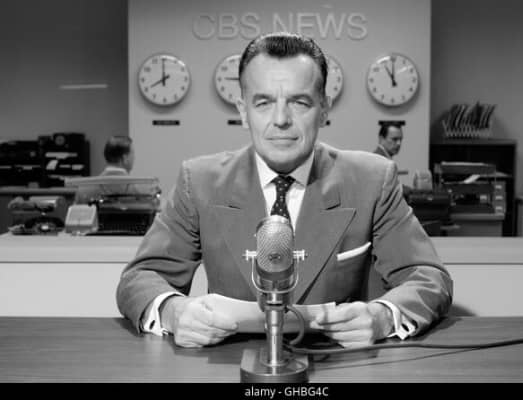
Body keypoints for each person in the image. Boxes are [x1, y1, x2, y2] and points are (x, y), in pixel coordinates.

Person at [116, 32, 453, 349]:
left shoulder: (372, 180)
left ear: (324, 109)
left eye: (299, 102)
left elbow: (428, 278)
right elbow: (140, 278)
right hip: (227, 364)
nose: (280, 119)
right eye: (263, 102)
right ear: (243, 111)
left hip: (338, 362)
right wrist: (173, 312)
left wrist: (382, 317)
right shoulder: (200, 182)